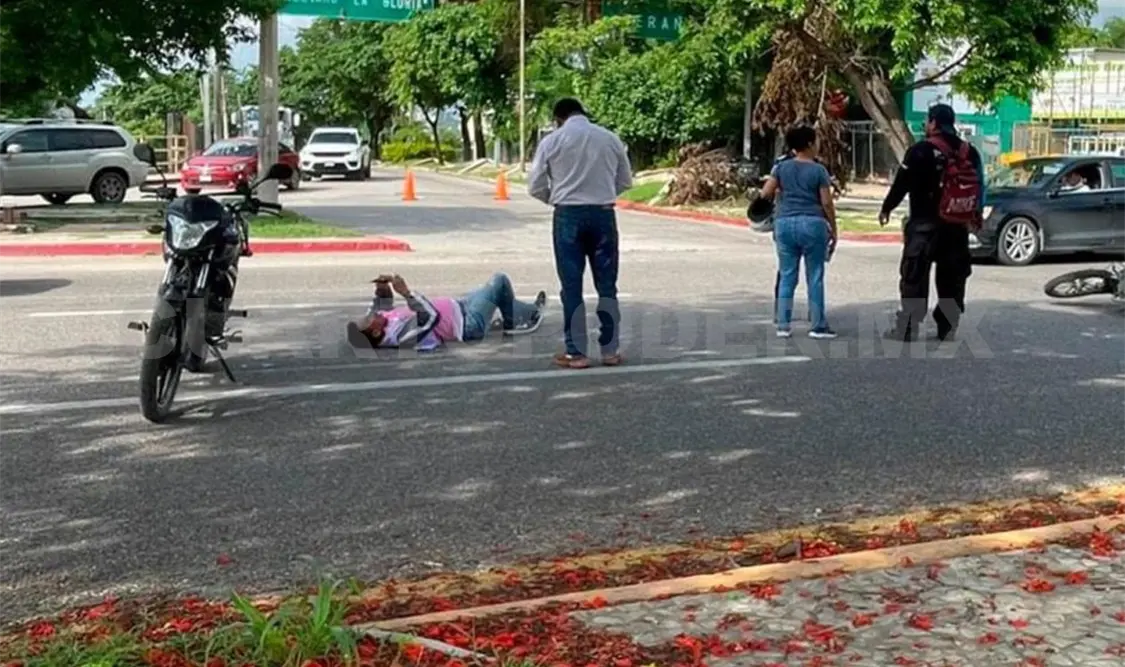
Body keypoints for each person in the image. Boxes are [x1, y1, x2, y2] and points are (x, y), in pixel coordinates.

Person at [528, 98, 632, 370]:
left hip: (568, 216)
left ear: (558, 118)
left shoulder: (552, 141)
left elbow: (536, 184)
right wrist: (601, 194)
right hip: (603, 214)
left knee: (571, 286)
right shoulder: (610, 138)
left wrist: (556, 197)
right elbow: (625, 181)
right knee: (607, 285)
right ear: (582, 113)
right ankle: (610, 350)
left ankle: (577, 353)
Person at [878, 103, 984, 342]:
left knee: (914, 277)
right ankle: (947, 326)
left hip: (924, 226)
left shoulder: (920, 151)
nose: (926, 125)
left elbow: (901, 184)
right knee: (952, 279)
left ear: (934, 122)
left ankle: (907, 328)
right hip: (956, 226)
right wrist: (975, 215)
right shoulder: (969, 152)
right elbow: (979, 185)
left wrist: (887, 208)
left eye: (927, 121)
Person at [759, 125, 839, 339]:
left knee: (787, 275)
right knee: (815, 275)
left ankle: (784, 325)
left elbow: (766, 192)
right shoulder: (818, 170)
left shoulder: (781, 168)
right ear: (810, 144)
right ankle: (818, 325)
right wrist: (833, 227)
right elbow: (826, 203)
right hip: (812, 224)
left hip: (785, 224)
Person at [346, 273, 546, 351]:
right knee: (498, 281)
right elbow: (430, 317)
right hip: (468, 325)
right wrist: (406, 293)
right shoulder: (401, 335)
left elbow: (380, 305)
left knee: (497, 293)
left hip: (460, 307)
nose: (373, 315)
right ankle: (521, 317)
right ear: (374, 332)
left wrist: (382, 288)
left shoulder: (384, 323)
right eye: (369, 320)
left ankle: (525, 312)